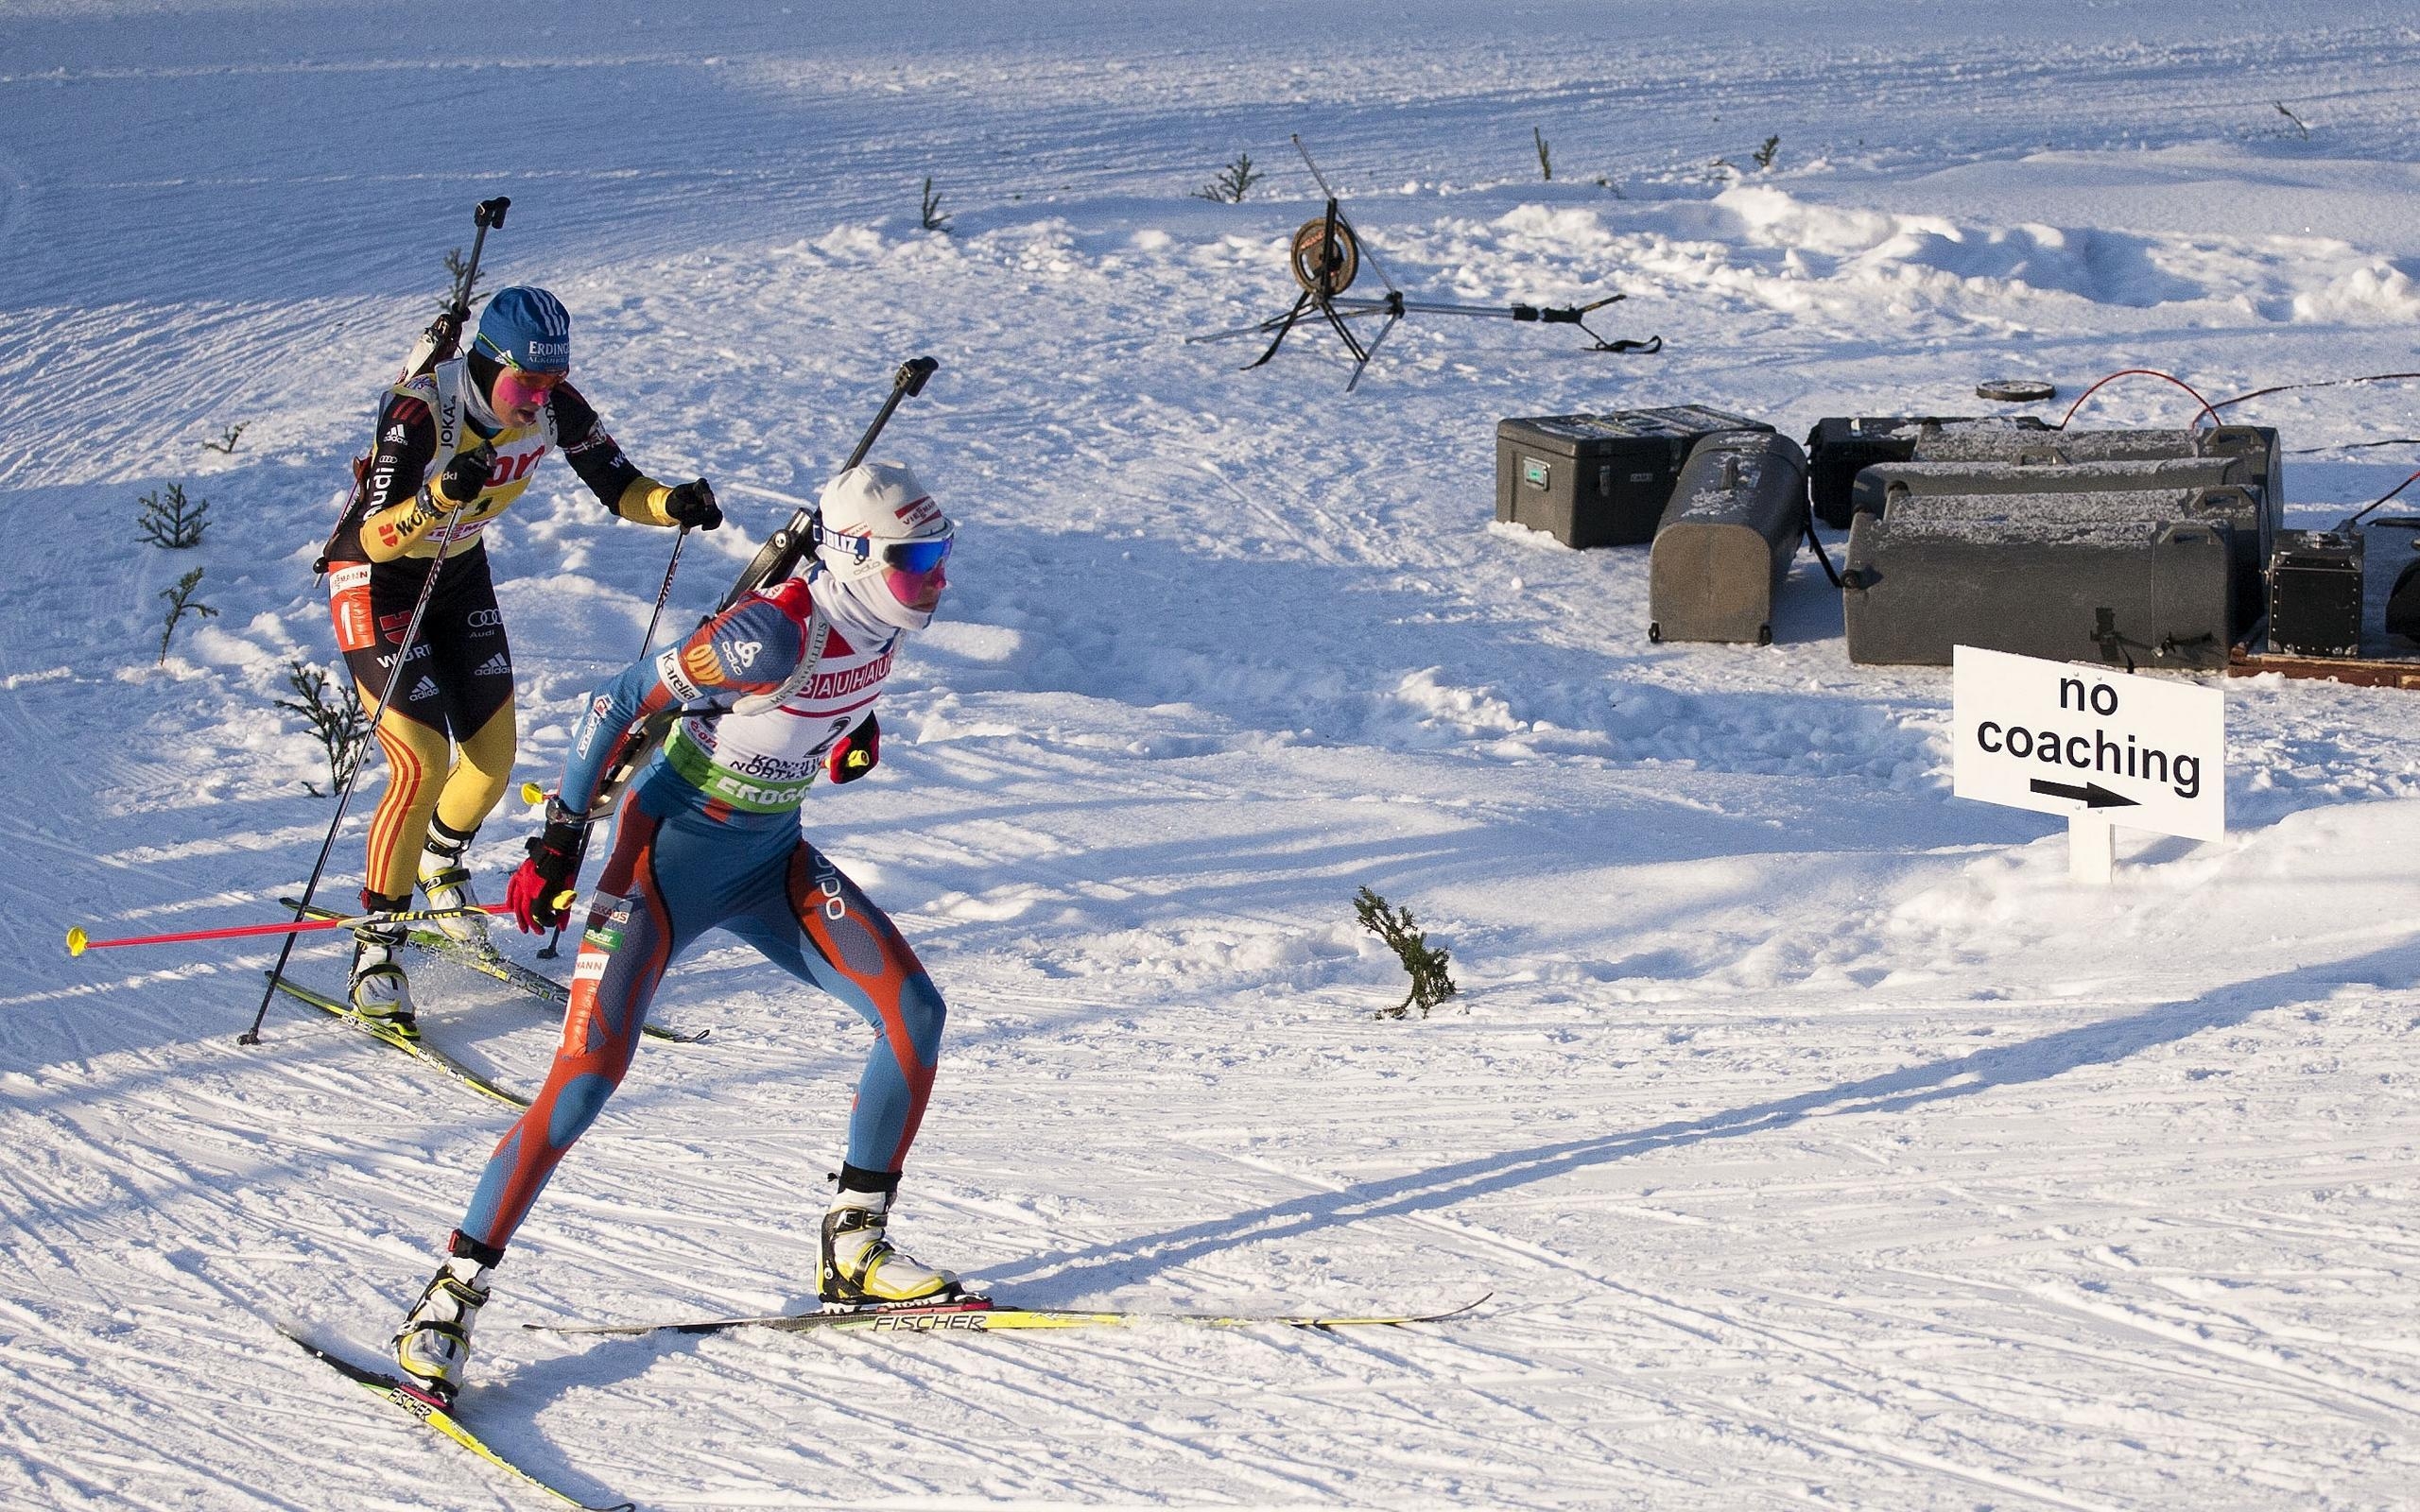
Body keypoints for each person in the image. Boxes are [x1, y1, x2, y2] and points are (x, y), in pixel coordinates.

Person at [389, 462, 962, 1405]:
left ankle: (854, 1249)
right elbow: (612, 706)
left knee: (913, 1013)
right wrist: (560, 840)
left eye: (941, 554)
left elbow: (825, 704)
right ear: (855, 555)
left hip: (771, 858)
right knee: (581, 1084)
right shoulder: (768, 634)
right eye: (916, 559)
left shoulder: (877, 615)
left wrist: (850, 735)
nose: (934, 578)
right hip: (661, 869)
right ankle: (447, 1299)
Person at [323, 285, 723, 1031]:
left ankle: (440, 866)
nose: (541, 399)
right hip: (379, 579)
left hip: (457, 573)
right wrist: (438, 496)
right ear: (485, 364)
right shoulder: (419, 411)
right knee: (419, 761)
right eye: (528, 383)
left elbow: (620, 485)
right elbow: (372, 537)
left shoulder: (550, 404)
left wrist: (674, 503)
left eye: (552, 383)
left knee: (491, 761)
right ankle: (377, 947)